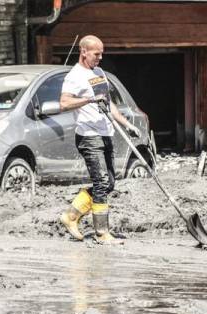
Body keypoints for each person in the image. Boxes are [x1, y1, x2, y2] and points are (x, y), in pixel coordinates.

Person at [59, 35, 141, 244]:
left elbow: (108, 103)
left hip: (106, 133)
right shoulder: (74, 76)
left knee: (109, 183)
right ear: (83, 51)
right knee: (102, 182)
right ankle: (102, 233)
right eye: (97, 54)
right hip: (88, 136)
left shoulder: (98, 73)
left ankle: (70, 216)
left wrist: (127, 124)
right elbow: (64, 103)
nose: (100, 57)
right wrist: (88, 100)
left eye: (102, 53)